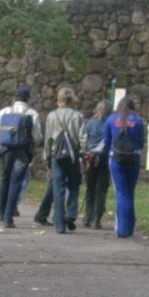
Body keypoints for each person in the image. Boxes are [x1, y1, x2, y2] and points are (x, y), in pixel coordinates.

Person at [0, 86, 42, 228]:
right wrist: (32, 146)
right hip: (22, 151)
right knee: (16, 181)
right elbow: (37, 136)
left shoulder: (4, 112)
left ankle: (0, 212)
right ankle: (9, 218)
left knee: (5, 178)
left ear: (14, 98)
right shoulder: (32, 114)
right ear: (28, 99)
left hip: (5, 150)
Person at [43, 87, 87, 234]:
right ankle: (71, 213)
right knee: (74, 186)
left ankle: (59, 224)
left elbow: (48, 138)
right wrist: (84, 155)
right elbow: (83, 138)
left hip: (57, 156)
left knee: (58, 188)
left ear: (59, 100)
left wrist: (47, 158)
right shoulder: (78, 116)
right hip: (73, 156)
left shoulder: (51, 116)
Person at [103, 96, 145, 238]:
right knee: (130, 192)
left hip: (116, 158)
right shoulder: (138, 120)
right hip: (134, 158)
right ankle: (129, 227)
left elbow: (107, 141)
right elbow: (141, 142)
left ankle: (121, 229)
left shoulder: (111, 119)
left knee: (121, 192)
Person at [82, 100, 113, 229]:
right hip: (105, 158)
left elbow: (85, 140)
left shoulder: (90, 123)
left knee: (90, 188)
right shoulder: (110, 123)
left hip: (91, 157)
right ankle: (96, 219)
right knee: (101, 190)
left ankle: (87, 217)